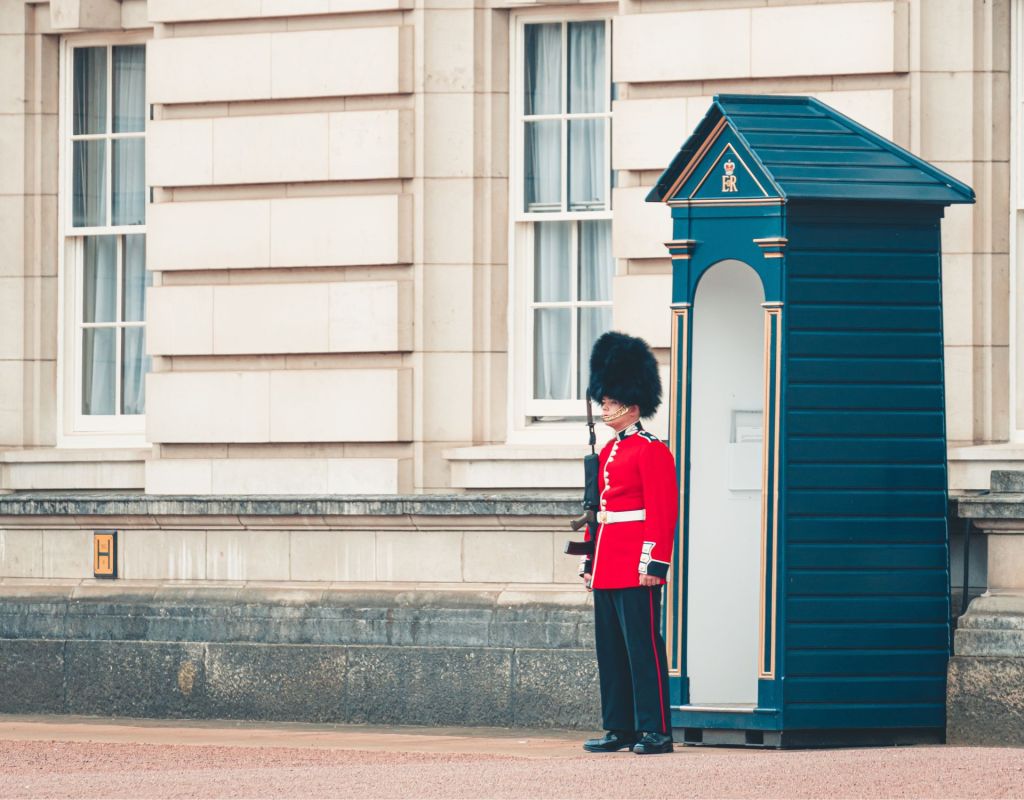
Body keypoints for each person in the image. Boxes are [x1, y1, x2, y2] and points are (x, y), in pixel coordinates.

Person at [579, 331, 678, 756]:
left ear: (632, 404)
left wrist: (653, 563)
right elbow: (596, 510)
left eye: (611, 399)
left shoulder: (652, 450)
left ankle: (655, 730)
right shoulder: (607, 451)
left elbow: (662, 510)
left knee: (643, 648)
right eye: (603, 399)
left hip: (635, 564)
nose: (604, 405)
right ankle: (619, 727)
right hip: (607, 563)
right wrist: (588, 560)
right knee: (612, 652)